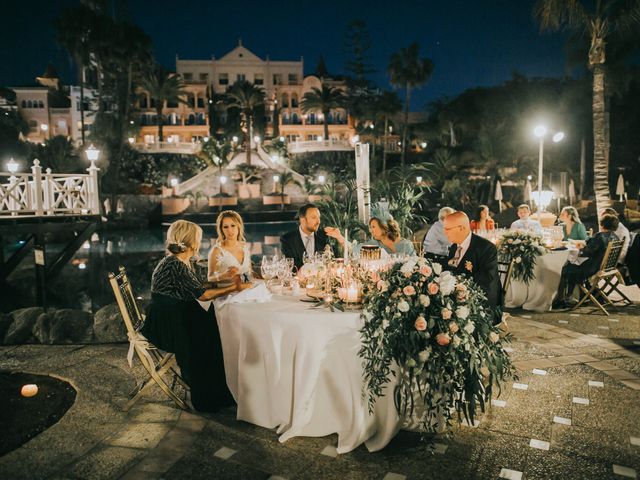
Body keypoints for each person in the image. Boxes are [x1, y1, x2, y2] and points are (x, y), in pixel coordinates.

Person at [141, 220, 249, 412]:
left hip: (172, 314)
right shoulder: (176, 265)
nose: (200, 242)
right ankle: (210, 397)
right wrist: (235, 288)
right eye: (198, 238)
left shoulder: (178, 261)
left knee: (213, 327)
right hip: (169, 324)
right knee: (212, 334)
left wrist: (223, 280)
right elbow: (203, 294)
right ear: (192, 241)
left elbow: (197, 286)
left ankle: (220, 391)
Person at [443, 211, 502, 324]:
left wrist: (458, 283)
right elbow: (451, 268)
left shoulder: (486, 248)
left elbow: (487, 277)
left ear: (461, 228)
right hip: (457, 294)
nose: (444, 233)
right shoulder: (454, 246)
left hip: (481, 299)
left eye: (447, 229)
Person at [552, 214, 620, 309]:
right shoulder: (615, 237)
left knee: (565, 269)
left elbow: (585, 253)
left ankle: (561, 299)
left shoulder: (600, 236)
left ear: (602, 224)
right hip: (604, 268)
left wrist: (580, 248)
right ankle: (576, 296)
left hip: (591, 269)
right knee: (572, 266)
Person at [326, 216, 416, 256]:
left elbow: (414, 266)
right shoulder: (374, 244)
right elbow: (353, 249)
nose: (370, 230)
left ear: (384, 227)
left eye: (373, 227)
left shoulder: (405, 245)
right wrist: (339, 237)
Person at [280, 203, 331, 270]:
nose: (318, 221)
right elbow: (290, 266)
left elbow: (330, 261)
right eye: (314, 218)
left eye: (319, 217)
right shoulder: (287, 239)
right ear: (303, 220)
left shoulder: (324, 237)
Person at [208, 210, 253, 283]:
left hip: (245, 289)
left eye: (233, 225)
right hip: (228, 292)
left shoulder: (244, 246)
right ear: (221, 230)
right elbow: (210, 278)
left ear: (239, 226)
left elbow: (249, 272)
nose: (230, 230)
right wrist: (225, 275)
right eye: (225, 227)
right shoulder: (217, 250)